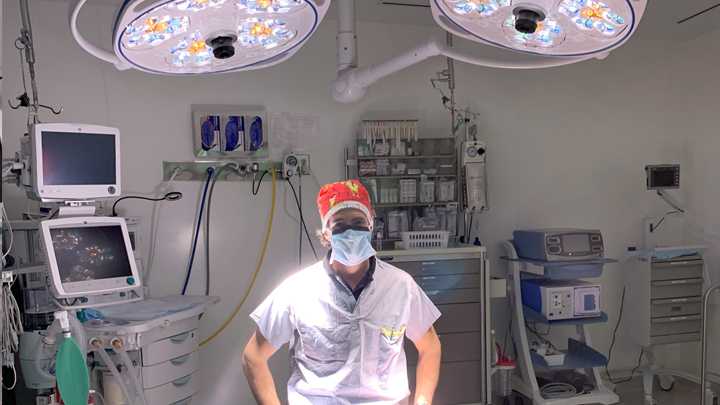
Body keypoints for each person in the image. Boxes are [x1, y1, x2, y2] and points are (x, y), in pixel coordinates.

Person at [242, 180, 442, 405]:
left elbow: (430, 346)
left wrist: (422, 402)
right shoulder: (297, 290)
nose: (350, 231)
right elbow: (253, 355)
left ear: (370, 225)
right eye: (339, 224)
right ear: (326, 233)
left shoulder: (400, 286)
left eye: (358, 222)